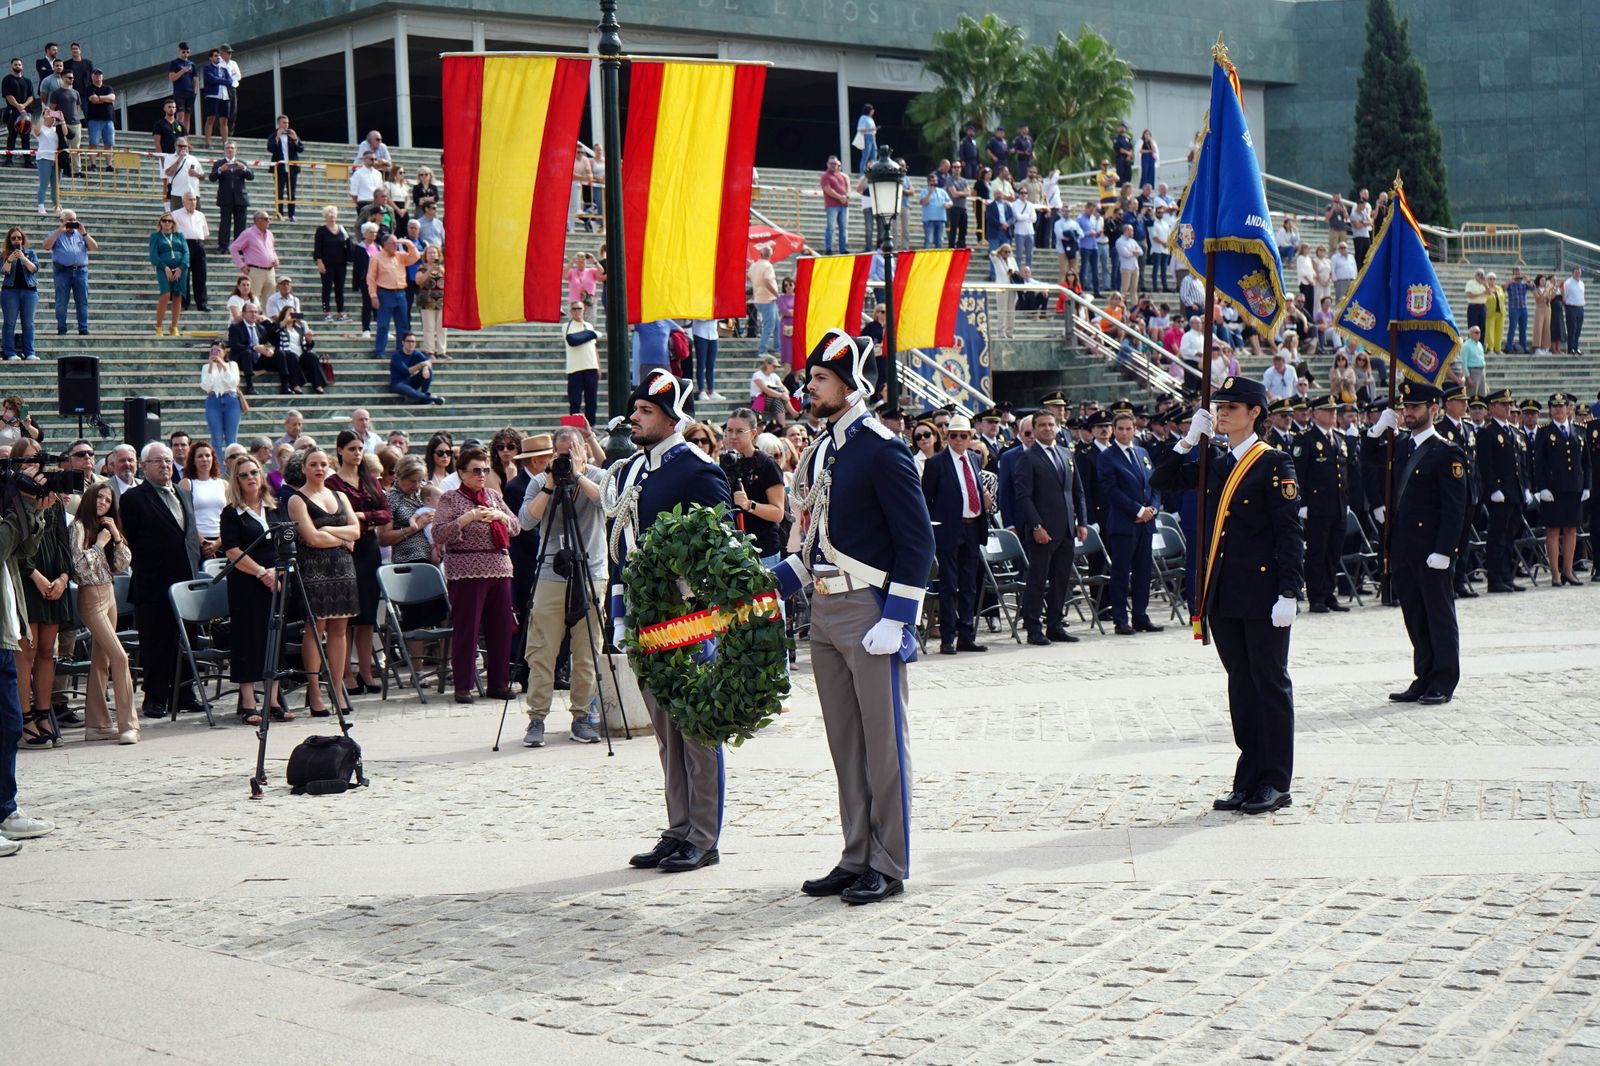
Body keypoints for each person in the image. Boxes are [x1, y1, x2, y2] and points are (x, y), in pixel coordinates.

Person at [765, 331, 932, 904]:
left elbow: (917, 542)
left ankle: (889, 861)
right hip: (825, 607)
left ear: (851, 385)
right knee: (846, 744)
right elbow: (814, 543)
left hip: (869, 610)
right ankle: (856, 852)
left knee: (883, 746)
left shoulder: (883, 447)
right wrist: (766, 585)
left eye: (820, 379)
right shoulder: (820, 451)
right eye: (811, 378)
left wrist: (898, 617)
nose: (809, 387)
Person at [1152, 377, 1303, 814]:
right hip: (1223, 593)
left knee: (1269, 684)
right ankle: (1248, 777)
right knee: (1241, 686)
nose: (1222, 413)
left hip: (1263, 594)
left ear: (1255, 413)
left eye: (1232, 407)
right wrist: (1187, 441)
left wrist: (1289, 591)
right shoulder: (1215, 461)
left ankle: (1275, 781)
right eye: (1219, 406)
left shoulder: (1274, 463)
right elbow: (1162, 479)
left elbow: (1289, 532)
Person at [607, 369, 732, 875]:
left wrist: (691, 594)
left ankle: (703, 836)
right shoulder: (634, 470)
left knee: (697, 728)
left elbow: (720, 547)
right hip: (646, 616)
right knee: (666, 731)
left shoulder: (697, 468)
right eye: (635, 409)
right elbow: (622, 546)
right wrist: (621, 612)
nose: (634, 418)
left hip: (687, 616)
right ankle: (679, 827)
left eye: (646, 411)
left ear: (673, 418)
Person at [1365, 382, 1467, 704]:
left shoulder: (1446, 452)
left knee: (1438, 616)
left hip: (1431, 549)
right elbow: (1368, 460)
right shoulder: (1400, 446)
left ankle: (1444, 680)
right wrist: (1375, 432)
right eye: (1405, 407)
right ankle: (1423, 676)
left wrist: (1445, 550)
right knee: (1415, 616)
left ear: (1433, 409)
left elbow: (1455, 508)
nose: (1408, 413)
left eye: (1415, 407)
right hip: (1403, 545)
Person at [515, 427, 605, 747]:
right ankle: (537, 718)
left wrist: (578, 475)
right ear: (553, 453)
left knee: (587, 651)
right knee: (542, 650)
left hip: (591, 572)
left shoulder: (598, 476)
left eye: (572, 452)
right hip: (551, 574)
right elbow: (525, 521)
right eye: (561, 454)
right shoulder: (542, 481)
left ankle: (581, 717)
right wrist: (551, 484)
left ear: (584, 450)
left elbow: (608, 504)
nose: (567, 458)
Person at [120, 442, 202, 719]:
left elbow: (189, 535)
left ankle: (185, 694)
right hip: (153, 583)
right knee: (156, 643)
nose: (165, 465)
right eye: (158, 461)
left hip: (185, 581)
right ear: (144, 466)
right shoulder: (133, 498)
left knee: (188, 640)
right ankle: (155, 697)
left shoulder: (183, 492)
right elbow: (131, 541)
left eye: (168, 460)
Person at [431, 444, 517, 704]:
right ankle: (463, 685)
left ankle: (498, 683)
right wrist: (467, 518)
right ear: (461, 472)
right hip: (466, 571)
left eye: (485, 470)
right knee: (467, 630)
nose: (481, 475)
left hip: (499, 568)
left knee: (501, 628)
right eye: (476, 470)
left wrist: (500, 516)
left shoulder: (493, 495)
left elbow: (517, 526)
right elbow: (438, 533)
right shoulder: (450, 498)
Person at [285, 448, 360, 715]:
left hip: (343, 568)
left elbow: (357, 531)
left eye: (323, 464)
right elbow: (312, 539)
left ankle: (337, 689)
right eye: (313, 464)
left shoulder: (340, 495)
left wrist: (328, 529)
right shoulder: (297, 500)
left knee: (340, 628)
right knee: (315, 628)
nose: (319, 468)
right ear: (303, 468)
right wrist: (341, 538)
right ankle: (315, 692)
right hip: (313, 569)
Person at [220, 456, 291, 725]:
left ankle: (273, 701)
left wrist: (276, 573)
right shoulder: (231, 513)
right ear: (236, 481)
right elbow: (232, 551)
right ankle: (249, 704)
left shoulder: (275, 507)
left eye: (254, 472)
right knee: (248, 640)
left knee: (275, 638)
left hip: (277, 580)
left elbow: (286, 545)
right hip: (246, 583)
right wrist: (262, 573)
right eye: (244, 475)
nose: (251, 478)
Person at [1011, 410, 1087, 645]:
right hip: (1043, 530)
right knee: (1037, 579)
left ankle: (1055, 625)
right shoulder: (1027, 457)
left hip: (1066, 528)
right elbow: (1023, 496)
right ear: (1034, 430)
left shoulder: (1066, 453)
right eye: (1042, 425)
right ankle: (1033, 627)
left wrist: (1082, 522)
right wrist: (1036, 525)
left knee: (1061, 579)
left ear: (1056, 427)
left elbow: (1077, 491)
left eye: (1050, 424)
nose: (1047, 428)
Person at [69, 483, 135, 743]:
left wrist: (115, 535)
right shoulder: (78, 526)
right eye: (99, 497)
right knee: (120, 656)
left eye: (108, 500)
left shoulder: (106, 529)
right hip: (90, 596)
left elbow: (122, 563)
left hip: (109, 593)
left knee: (102, 660)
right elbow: (78, 567)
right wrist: (98, 545)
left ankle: (97, 725)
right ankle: (128, 724)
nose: (103, 503)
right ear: (89, 498)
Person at [920, 414, 990, 654]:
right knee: (949, 585)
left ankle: (967, 636)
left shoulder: (974, 458)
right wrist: (932, 529)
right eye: (953, 435)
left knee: (969, 584)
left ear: (970, 437)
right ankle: (948, 638)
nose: (958, 440)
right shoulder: (936, 463)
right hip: (948, 529)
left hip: (973, 526)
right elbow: (926, 500)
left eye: (963, 435)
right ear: (947, 437)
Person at [328, 431, 391, 695]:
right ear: (340, 450)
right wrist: (359, 519)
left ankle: (366, 670)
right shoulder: (332, 483)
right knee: (346, 617)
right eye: (352, 449)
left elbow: (385, 513)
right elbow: (335, 516)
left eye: (360, 448)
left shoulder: (370, 479)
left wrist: (360, 515)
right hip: (345, 549)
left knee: (366, 617)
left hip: (368, 548)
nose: (357, 453)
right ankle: (346, 673)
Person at [1097, 412, 1162, 635]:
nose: (1124, 433)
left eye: (1128, 429)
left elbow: (1154, 484)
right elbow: (1111, 490)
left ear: (1135, 430)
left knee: (1144, 572)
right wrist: (1138, 510)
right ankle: (1121, 619)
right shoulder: (1107, 456)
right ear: (1114, 430)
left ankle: (1140, 616)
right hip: (1124, 523)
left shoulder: (1142, 452)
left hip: (1146, 522)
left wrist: (1153, 509)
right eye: (1120, 429)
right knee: (1121, 573)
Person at [1292, 396, 1350, 614]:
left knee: (1334, 553)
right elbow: (1299, 473)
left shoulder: (1339, 438)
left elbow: (1344, 473)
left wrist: (1346, 501)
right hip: (1316, 507)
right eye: (1328, 410)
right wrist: (1302, 504)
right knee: (1317, 553)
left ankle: (1328, 594)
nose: (1333, 413)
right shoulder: (1305, 439)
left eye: (1334, 410)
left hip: (1338, 505)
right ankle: (1316, 597)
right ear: (1315, 413)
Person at [1532, 392, 1590, 585]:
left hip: (1574, 487)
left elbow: (1586, 462)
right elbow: (1538, 464)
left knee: (1571, 530)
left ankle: (1568, 570)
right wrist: (1542, 488)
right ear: (1550, 410)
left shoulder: (1580, 430)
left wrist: (1587, 486)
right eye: (1554, 407)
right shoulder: (1544, 432)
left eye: (1561, 406)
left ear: (1568, 409)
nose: (1558, 410)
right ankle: (1555, 573)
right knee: (1553, 531)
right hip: (1553, 489)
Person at [722, 409, 787, 564]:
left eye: (739, 431)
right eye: (729, 430)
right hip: (732, 549)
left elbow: (778, 513)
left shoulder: (766, 464)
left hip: (763, 551)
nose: (733, 436)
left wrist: (749, 505)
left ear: (753, 433)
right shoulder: (725, 462)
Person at [367, 233, 419, 360]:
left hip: (401, 294)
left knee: (403, 325)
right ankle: (379, 351)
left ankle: (401, 352)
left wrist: (407, 243)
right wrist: (373, 296)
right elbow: (371, 278)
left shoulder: (400, 256)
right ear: (385, 244)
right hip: (385, 293)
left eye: (396, 243)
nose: (395, 245)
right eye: (392, 243)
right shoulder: (376, 258)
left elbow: (416, 257)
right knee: (383, 325)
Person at [42, 209, 94, 335]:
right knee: (61, 301)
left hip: (80, 271)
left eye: (75, 220)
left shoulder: (81, 234)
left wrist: (84, 233)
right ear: (62, 221)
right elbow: (47, 246)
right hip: (62, 272)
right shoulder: (55, 234)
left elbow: (94, 247)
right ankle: (62, 327)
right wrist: (59, 231)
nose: (73, 222)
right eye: (70, 220)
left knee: (82, 301)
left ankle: (83, 328)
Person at [1, 227, 39, 362]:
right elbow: (4, 272)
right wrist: (9, 260)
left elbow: (34, 269)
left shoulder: (30, 253)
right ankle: (9, 352)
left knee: (28, 323)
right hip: (10, 292)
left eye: (19, 238)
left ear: (23, 239)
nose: (16, 240)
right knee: (9, 323)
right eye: (13, 238)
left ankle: (30, 352)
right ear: (9, 240)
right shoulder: (5, 254)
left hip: (29, 292)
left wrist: (24, 258)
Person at [149, 211, 189, 337]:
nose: (167, 223)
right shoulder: (155, 236)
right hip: (163, 268)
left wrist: (181, 267)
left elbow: (186, 252)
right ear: (160, 223)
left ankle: (174, 327)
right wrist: (164, 267)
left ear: (173, 223)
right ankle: (159, 326)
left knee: (178, 295)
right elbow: (153, 255)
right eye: (164, 221)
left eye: (169, 221)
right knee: (165, 294)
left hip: (180, 268)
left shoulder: (179, 235)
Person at [184, 440, 226, 561]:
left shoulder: (223, 484)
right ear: (193, 460)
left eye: (208, 455)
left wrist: (217, 543)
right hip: (196, 543)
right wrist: (203, 542)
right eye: (200, 456)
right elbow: (184, 517)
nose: (204, 459)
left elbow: (229, 517)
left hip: (221, 542)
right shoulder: (187, 483)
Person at [201, 341, 243, 448]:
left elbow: (233, 383)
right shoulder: (206, 367)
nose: (215, 353)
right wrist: (211, 367)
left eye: (218, 350)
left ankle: (232, 458)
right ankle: (218, 459)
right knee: (216, 438)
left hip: (230, 399)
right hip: (213, 400)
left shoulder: (232, 365)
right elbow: (206, 386)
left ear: (224, 352)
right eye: (212, 350)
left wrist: (223, 365)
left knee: (231, 437)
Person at [229, 210, 278, 300]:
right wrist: (241, 265)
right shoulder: (248, 233)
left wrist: (275, 258)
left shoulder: (270, 234)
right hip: (255, 271)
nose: (269, 221)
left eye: (268, 218)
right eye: (266, 219)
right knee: (253, 299)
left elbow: (272, 249)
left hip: (270, 271)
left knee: (270, 300)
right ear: (258, 220)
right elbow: (233, 248)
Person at [389, 331, 443, 406]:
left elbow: (427, 361)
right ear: (403, 342)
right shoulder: (396, 356)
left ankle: (424, 396)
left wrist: (425, 367)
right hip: (398, 384)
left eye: (413, 341)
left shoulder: (416, 353)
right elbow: (406, 372)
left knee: (429, 371)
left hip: (411, 382)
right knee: (408, 390)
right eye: (408, 341)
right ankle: (430, 398)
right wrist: (421, 365)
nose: (411, 344)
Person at [267, 114, 303, 220]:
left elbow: (301, 149)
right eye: (284, 123)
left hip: (292, 169)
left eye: (287, 123)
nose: (286, 125)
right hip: (279, 169)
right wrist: (277, 137)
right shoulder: (273, 135)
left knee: (292, 193)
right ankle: (280, 214)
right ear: (279, 124)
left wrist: (295, 139)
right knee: (279, 192)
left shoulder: (292, 134)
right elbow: (270, 149)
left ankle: (292, 215)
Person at [415, 244, 446, 358]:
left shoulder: (443, 267)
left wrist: (441, 271)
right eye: (430, 253)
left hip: (442, 301)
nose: (432, 255)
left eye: (434, 253)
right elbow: (419, 281)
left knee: (442, 328)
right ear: (426, 256)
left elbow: (452, 282)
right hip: (427, 301)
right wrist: (429, 271)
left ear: (438, 255)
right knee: (429, 327)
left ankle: (442, 351)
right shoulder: (422, 268)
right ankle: (429, 351)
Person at [820, 156, 850, 254]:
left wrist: (846, 196)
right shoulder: (825, 176)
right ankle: (828, 249)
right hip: (832, 205)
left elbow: (848, 188)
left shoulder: (843, 176)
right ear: (827, 164)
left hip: (844, 205)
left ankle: (843, 249)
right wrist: (840, 197)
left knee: (843, 228)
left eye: (835, 163)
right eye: (831, 163)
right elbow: (827, 189)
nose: (834, 165)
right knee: (830, 227)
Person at [1562, 267, 1585, 354]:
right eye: (1576, 272)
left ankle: (1576, 347)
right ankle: (1570, 348)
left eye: (1579, 272)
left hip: (1580, 307)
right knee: (1572, 329)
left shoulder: (1582, 283)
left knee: (1578, 329)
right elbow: (1564, 297)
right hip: (1571, 307)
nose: (1578, 274)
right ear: (1572, 273)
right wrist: (1567, 308)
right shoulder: (1568, 283)